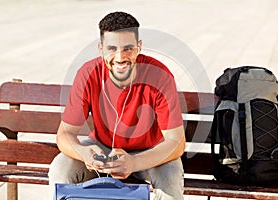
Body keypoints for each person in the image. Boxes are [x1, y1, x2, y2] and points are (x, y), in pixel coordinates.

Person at [49, 11, 186, 199]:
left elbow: (176, 142)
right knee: (60, 167)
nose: (120, 57)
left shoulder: (159, 76)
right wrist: (84, 153)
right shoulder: (88, 73)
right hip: (102, 148)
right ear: (101, 48)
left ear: (139, 47)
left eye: (128, 48)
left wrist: (134, 162)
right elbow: (64, 134)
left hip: (150, 151)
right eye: (112, 48)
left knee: (170, 176)